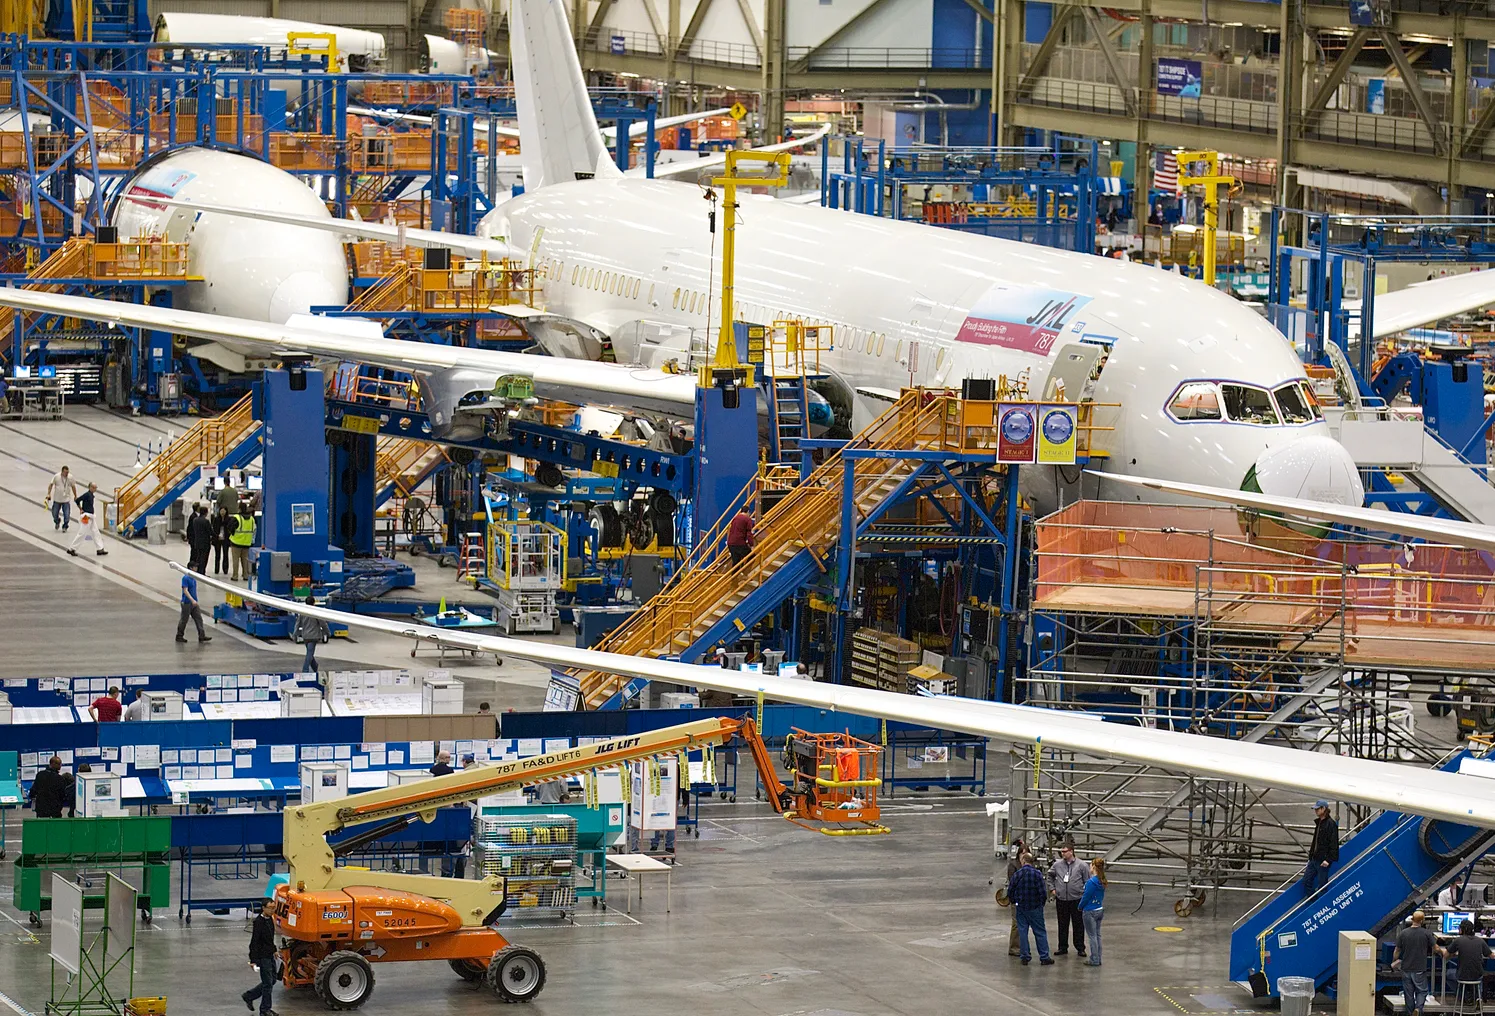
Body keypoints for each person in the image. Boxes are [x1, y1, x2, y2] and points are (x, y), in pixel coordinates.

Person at [1007, 852, 1054, 965]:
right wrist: (1041, 903)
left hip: (1021, 907)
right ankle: (1044, 956)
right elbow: (1042, 892)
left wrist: (1015, 901)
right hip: (1035, 907)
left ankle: (1025, 956)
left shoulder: (1017, 874)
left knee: (1022, 931)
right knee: (1040, 932)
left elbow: (1010, 891)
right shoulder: (1037, 874)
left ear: (1023, 861)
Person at [1393, 910, 1438, 1016]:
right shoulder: (1426, 933)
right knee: (1422, 991)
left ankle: (1410, 1013)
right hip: (1419, 968)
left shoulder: (1403, 933)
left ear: (1412, 919)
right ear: (1422, 921)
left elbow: (1397, 950)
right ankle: (1418, 1009)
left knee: (1408, 994)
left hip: (1406, 968)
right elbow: (1435, 948)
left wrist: (1394, 961)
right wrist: (1443, 952)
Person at [1049, 843, 1091, 957]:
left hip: (1076, 899)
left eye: (1065, 851)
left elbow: (1087, 881)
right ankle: (1062, 947)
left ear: (1071, 851)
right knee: (1062, 924)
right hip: (1062, 899)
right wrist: (1052, 889)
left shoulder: (1082, 865)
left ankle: (1080, 947)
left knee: (1078, 924)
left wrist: (1084, 894)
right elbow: (1050, 875)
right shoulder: (1057, 865)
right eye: (1061, 851)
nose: (1062, 853)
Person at [1441, 919, 1492, 1009]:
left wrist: (1450, 952)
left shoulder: (1458, 941)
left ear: (1463, 930)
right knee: (1479, 976)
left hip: (1462, 975)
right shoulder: (1480, 941)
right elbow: (1491, 955)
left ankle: (1464, 997)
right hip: (1477, 975)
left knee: (1448, 974)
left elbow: (1445, 955)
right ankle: (1477, 997)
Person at [241, 899, 279, 1016]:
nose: (272, 910)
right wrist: (253, 960)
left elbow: (269, 938)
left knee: (272, 980)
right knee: (267, 983)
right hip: (263, 957)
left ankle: (249, 996)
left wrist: (274, 950)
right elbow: (254, 942)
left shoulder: (270, 920)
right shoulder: (259, 922)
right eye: (270, 908)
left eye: (274, 907)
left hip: (269, 954)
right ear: (263, 908)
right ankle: (265, 1010)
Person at [1301, 800, 1340, 897]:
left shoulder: (1330, 824)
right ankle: (1314, 901)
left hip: (1323, 860)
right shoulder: (1320, 823)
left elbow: (1334, 843)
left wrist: (1328, 860)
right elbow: (1315, 842)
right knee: (1306, 881)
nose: (1316, 811)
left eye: (1318, 809)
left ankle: (1320, 905)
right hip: (1315, 858)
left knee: (1322, 885)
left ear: (1324, 809)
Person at [67, 482, 108, 557]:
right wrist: (81, 509)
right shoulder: (87, 495)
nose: (95, 489)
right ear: (90, 487)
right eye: (94, 487)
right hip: (86, 516)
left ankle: (100, 548)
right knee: (82, 533)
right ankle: (72, 549)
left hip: (91, 516)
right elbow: (77, 500)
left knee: (96, 532)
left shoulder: (91, 495)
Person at [1080, 858, 1107, 967]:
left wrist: (1080, 906)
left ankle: (1094, 958)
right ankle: (1098, 957)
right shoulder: (1102, 881)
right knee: (1097, 935)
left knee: (1092, 936)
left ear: (1094, 867)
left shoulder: (1091, 882)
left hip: (1090, 910)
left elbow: (1086, 896)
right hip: (1099, 908)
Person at [1004, 837, 1026, 957]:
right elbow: (1012, 882)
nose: (1024, 856)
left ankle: (1022, 946)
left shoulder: (1030, 865)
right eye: (1023, 854)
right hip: (1017, 898)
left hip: (1027, 899)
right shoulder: (1013, 865)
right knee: (1016, 923)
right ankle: (1014, 947)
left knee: (1024, 924)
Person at [293, 597, 329, 674]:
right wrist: (327, 632)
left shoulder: (302, 612)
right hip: (314, 636)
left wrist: (295, 633)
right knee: (309, 654)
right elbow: (323, 623)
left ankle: (315, 667)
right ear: (314, 603)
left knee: (309, 652)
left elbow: (297, 623)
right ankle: (305, 670)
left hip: (305, 636)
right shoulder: (316, 612)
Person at [176, 571, 212, 644]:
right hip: (186, 603)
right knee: (184, 620)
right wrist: (192, 600)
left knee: (199, 618)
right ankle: (179, 635)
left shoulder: (193, 578)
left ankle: (202, 635)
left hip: (194, 603)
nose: (196, 569)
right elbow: (185, 591)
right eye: (195, 567)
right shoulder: (185, 578)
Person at [229, 502, 255, 581]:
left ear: (239, 508)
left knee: (236, 560)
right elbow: (254, 529)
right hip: (247, 543)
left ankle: (235, 576)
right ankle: (246, 575)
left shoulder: (236, 517)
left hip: (236, 542)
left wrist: (232, 533)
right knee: (245, 560)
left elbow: (230, 527)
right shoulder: (252, 519)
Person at [47, 465, 78, 531]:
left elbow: (73, 486)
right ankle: (57, 521)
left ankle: (65, 526)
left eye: (67, 472)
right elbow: (51, 485)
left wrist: (75, 495)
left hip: (66, 499)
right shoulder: (56, 476)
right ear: (62, 472)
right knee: (54, 513)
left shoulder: (70, 477)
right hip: (57, 499)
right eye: (65, 472)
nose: (67, 474)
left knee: (67, 514)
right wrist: (48, 494)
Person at [185, 502, 213, 573]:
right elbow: (210, 531)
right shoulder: (204, 521)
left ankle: (196, 569)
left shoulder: (195, 519)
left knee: (197, 556)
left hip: (197, 541)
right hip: (204, 542)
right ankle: (200, 571)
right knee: (202, 558)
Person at [212, 507, 232, 575]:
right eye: (221, 511)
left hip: (226, 539)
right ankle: (216, 569)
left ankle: (225, 569)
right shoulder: (216, 519)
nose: (222, 512)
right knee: (217, 555)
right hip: (218, 539)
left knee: (225, 554)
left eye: (224, 511)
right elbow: (214, 529)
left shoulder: (229, 519)